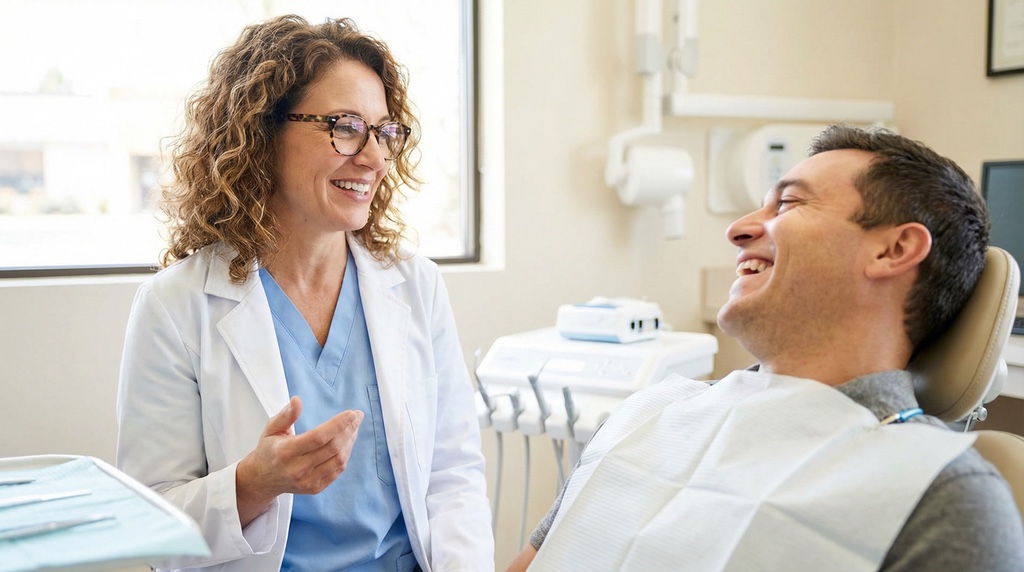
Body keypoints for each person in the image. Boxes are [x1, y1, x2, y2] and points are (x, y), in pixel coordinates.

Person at [508, 124, 1024, 571]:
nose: (737, 229)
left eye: (791, 203)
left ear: (894, 249)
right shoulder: (650, 413)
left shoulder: (941, 494)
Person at [115, 15, 493, 572]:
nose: (373, 157)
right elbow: (151, 525)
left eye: (385, 131)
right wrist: (252, 484)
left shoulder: (415, 285)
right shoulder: (175, 306)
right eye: (345, 127)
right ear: (260, 132)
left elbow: (453, 474)